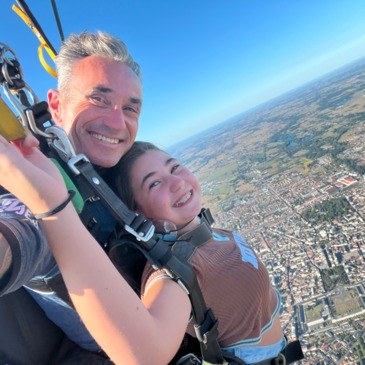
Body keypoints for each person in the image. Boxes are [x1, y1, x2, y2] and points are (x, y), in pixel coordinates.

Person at [0, 138, 287, 365]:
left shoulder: (210, 232)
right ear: (137, 212)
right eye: (155, 183)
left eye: (174, 167)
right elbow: (145, 355)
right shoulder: (174, 269)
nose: (177, 182)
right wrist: (54, 208)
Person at [0, 30, 142, 364]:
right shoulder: (39, 186)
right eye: (99, 99)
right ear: (55, 106)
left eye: (130, 108)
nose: (117, 122)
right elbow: (22, 230)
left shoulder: (120, 170)